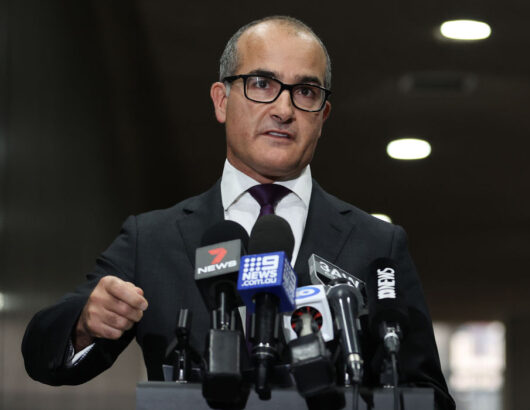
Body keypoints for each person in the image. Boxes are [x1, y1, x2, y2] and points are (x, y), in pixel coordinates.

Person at [22, 16, 455, 408]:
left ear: (323, 116)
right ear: (221, 100)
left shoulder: (377, 244)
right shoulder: (151, 239)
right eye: (262, 84)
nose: (284, 109)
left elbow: (427, 394)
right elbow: (43, 357)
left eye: (305, 92)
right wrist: (85, 323)